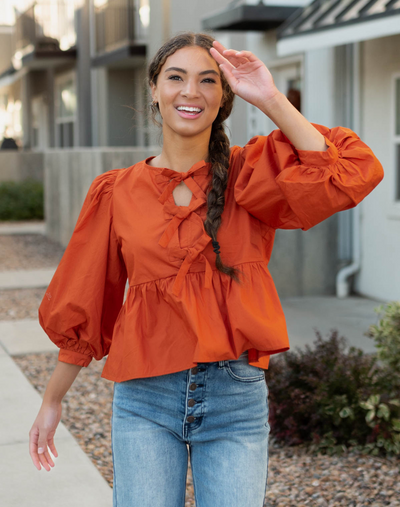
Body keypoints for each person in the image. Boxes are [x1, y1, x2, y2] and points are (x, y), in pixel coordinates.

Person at [29, 31, 384, 507]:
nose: (190, 92)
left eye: (208, 81)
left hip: (234, 397)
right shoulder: (115, 192)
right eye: (176, 77)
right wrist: (52, 401)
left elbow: (348, 172)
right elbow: (86, 301)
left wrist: (270, 96)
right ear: (154, 89)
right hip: (145, 398)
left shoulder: (251, 173)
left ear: (224, 98)